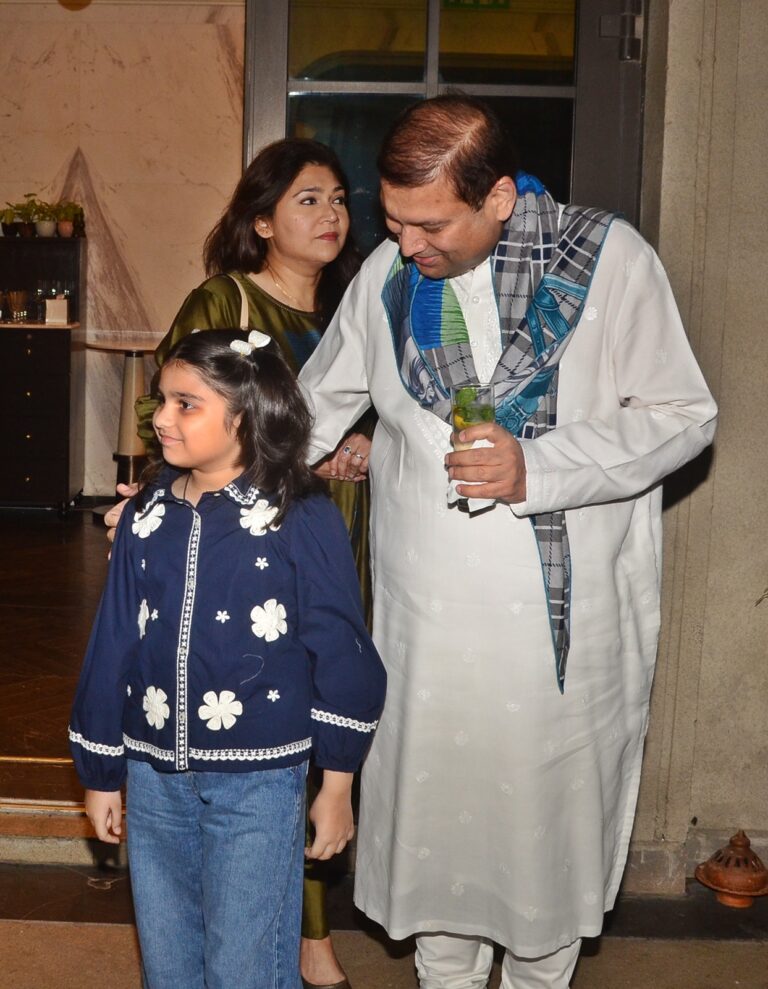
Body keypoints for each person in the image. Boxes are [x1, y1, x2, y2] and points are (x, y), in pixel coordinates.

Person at [298, 95, 718, 989]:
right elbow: (311, 407)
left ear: (497, 198)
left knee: (542, 865)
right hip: (429, 637)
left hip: (558, 647)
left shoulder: (610, 263)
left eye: (429, 223)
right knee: (441, 857)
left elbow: (684, 417)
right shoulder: (387, 278)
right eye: (395, 221)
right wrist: (201, 479)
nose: (406, 245)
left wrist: (541, 467)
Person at [118, 137, 373, 988]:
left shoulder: (354, 305)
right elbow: (178, 409)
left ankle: (292, 928)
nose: (331, 213)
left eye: (339, 197)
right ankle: (304, 938)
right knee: (249, 727)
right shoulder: (225, 300)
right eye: (308, 199)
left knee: (311, 700)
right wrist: (149, 508)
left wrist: (365, 440)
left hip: (330, 526)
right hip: (233, 540)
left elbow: (384, 406)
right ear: (261, 220)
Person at [71, 329, 386, 989]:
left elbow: (342, 650)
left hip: (261, 780)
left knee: (249, 963)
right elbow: (112, 643)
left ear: (247, 415)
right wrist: (102, 769)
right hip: (153, 776)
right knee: (169, 959)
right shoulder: (144, 517)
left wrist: (336, 784)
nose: (160, 416)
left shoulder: (300, 515)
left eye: (187, 403)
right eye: (163, 399)